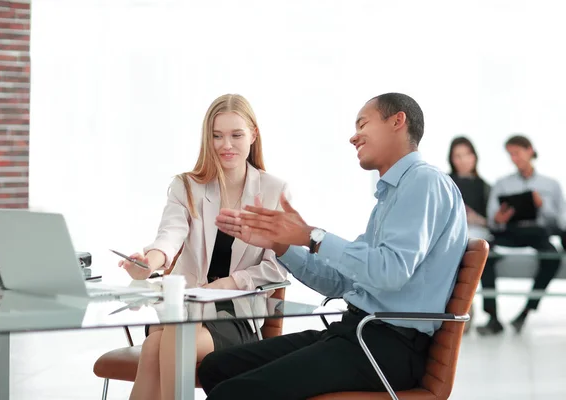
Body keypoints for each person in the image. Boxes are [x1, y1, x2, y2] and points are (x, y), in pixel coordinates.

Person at [197, 93, 468, 399]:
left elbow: (391, 272)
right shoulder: (392, 197)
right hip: (358, 334)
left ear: (397, 121)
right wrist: (282, 245)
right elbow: (339, 283)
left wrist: (313, 236)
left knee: (234, 392)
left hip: (387, 347)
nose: (354, 137)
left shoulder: (424, 182)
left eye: (363, 123)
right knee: (216, 367)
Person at [117, 94, 290, 400]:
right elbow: (169, 238)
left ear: (253, 134)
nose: (226, 145)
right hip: (183, 307)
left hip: (235, 312)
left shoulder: (274, 190)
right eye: (217, 136)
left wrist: (229, 284)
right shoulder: (187, 185)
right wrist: (149, 263)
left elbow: (278, 264)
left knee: (161, 344)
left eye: (236, 135)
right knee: (162, 341)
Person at [477, 135, 566, 335]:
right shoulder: (502, 184)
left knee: (553, 258)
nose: (514, 159)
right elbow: (492, 220)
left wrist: (542, 206)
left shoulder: (551, 185)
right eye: (510, 155)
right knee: (484, 255)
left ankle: (525, 312)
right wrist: (499, 218)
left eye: (517, 153)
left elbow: (560, 222)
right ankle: (492, 317)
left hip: (538, 232)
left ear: (530, 151)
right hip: (510, 231)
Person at [448, 136, 491, 240]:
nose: (463, 160)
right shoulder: (445, 182)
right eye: (457, 156)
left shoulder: (485, 186)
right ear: (451, 159)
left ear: (474, 156)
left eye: (467, 155)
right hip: (449, 230)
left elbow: (493, 222)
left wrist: (477, 219)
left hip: (476, 231)